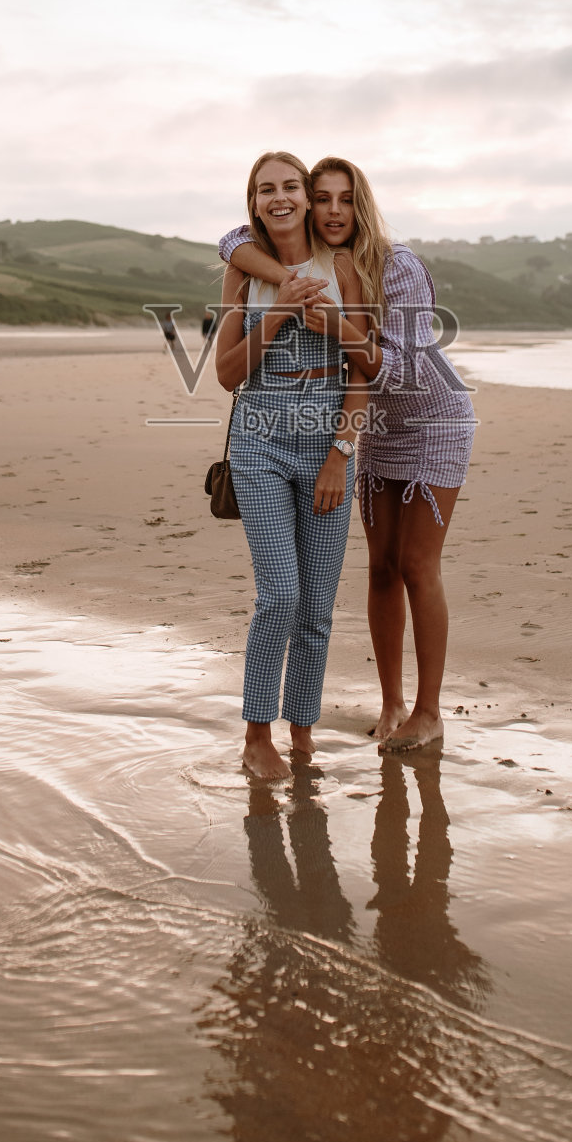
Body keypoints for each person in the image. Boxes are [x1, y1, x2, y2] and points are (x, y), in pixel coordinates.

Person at [218, 156, 476, 753]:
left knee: (412, 566)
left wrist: (335, 334)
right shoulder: (253, 260)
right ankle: (382, 707)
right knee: (366, 571)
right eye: (321, 196)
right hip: (356, 427)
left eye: (342, 199)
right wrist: (282, 295)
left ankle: (425, 711)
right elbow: (234, 242)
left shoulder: (384, 266)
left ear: (358, 205)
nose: (331, 209)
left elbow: (393, 367)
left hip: (425, 418)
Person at [215, 151, 369, 781]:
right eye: (263, 190)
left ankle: (302, 733)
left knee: (317, 607)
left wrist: (341, 454)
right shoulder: (240, 272)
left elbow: (363, 369)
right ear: (254, 204)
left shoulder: (343, 267)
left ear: (307, 197)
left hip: (326, 436)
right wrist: (278, 309)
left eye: (289, 187)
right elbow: (225, 375)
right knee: (279, 594)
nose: (278, 198)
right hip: (259, 436)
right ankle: (257, 735)